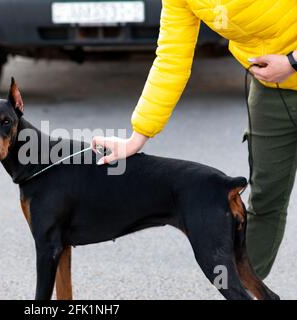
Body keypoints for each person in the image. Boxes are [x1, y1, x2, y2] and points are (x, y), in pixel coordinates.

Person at [92, 0, 297, 280]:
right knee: (265, 199)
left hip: (288, 65)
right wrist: (138, 136)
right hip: (272, 88)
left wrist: (293, 61)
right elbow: (171, 60)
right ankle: (247, 293)